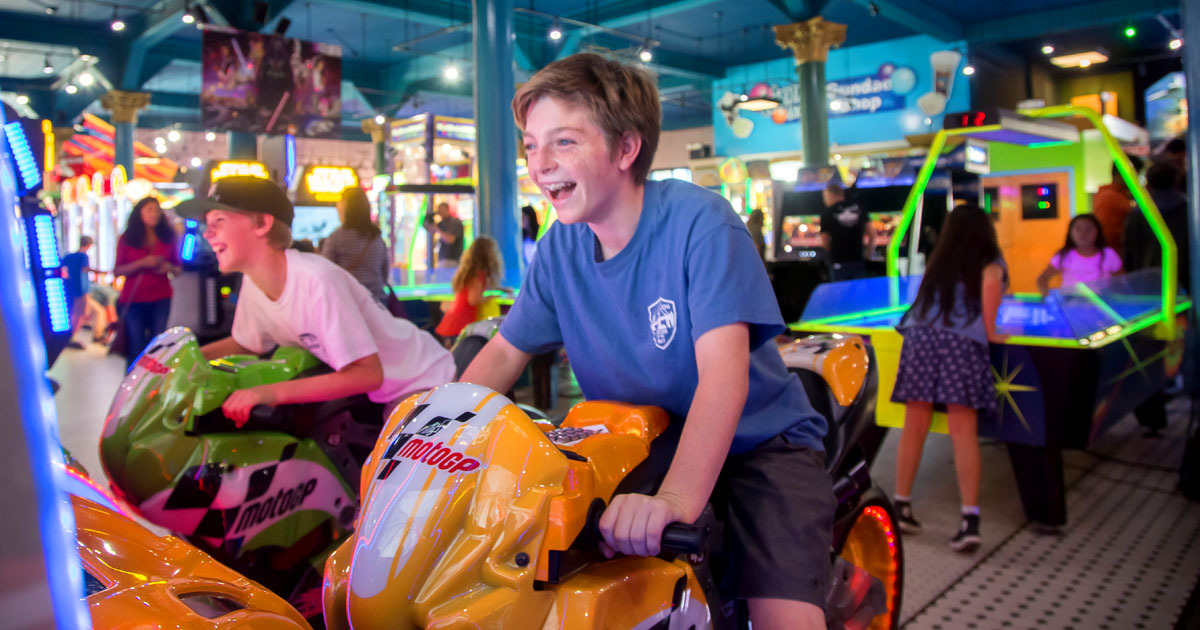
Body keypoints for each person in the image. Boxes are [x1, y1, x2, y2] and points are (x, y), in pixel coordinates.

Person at [459, 53, 833, 629]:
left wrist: (676, 502)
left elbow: (723, 380)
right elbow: (506, 352)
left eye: (562, 142)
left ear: (626, 148)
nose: (539, 164)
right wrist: (432, 441)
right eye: (531, 145)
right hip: (641, 441)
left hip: (760, 444)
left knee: (785, 618)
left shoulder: (700, 224)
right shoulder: (562, 246)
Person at [175, 176, 454, 425]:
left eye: (218, 222)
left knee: (390, 478)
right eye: (208, 225)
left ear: (262, 223)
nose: (207, 233)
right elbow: (247, 342)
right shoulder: (254, 280)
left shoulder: (315, 279)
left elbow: (367, 374)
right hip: (379, 394)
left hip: (423, 382)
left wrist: (269, 393)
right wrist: (177, 362)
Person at [891, 204, 1008, 554]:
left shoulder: (937, 265)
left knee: (914, 424)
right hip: (961, 345)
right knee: (962, 428)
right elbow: (989, 328)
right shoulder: (991, 267)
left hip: (919, 340)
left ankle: (901, 505)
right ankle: (969, 519)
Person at [113, 197, 180, 367]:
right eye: (149, 210)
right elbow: (118, 270)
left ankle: (154, 385)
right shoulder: (127, 238)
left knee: (158, 344)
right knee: (135, 345)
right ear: (140, 212)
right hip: (134, 299)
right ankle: (134, 385)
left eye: (156, 210)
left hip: (161, 297)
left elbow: (178, 268)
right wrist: (142, 263)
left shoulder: (168, 237)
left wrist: (168, 267)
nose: (153, 214)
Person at [1125, 161, 1190, 290]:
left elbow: (1130, 248)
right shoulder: (1188, 209)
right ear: (1176, 180)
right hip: (1182, 277)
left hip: (1146, 278)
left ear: (1148, 181)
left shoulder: (1139, 211)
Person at [322, 186, 390, 304]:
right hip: (378, 302)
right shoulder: (377, 237)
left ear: (345, 208)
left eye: (339, 203)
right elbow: (385, 273)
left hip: (350, 302)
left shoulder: (336, 238)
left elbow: (324, 273)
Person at [434, 236, 504, 344]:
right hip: (461, 324)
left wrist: (501, 289)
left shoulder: (469, 273)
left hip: (452, 322)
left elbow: (475, 290)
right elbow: (473, 300)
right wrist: (493, 297)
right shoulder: (478, 275)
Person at [1035, 214, 1122, 296]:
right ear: (1070, 232)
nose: (1083, 233)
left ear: (1098, 232)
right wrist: (1048, 298)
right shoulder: (1064, 255)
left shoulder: (1109, 254)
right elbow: (1042, 279)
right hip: (1070, 305)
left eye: (1088, 229)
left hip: (1102, 305)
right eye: (1078, 229)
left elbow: (1122, 281)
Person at [820, 181, 876, 282]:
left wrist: (834, 253)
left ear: (830, 195)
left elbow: (825, 242)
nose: (825, 200)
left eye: (825, 197)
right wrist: (868, 254)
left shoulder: (827, 213)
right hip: (858, 261)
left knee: (840, 295)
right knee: (858, 295)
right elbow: (872, 235)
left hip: (838, 262)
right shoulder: (859, 208)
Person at [1092, 156, 1143, 257]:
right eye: (1135, 175)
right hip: (1116, 260)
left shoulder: (1116, 196)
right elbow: (1108, 234)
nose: (1136, 180)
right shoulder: (1111, 198)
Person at [62, 235, 95, 348]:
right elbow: (85, 269)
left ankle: (69, 335)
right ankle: (72, 337)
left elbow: (62, 268)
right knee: (80, 313)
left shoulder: (69, 256)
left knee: (73, 312)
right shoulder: (83, 256)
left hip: (71, 287)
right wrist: (101, 272)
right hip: (82, 288)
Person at [424, 202, 464, 268]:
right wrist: (428, 218)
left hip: (452, 260)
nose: (440, 213)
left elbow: (450, 239)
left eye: (441, 210)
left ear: (447, 209)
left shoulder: (455, 222)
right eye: (439, 211)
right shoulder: (442, 223)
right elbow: (429, 229)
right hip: (443, 259)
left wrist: (437, 229)